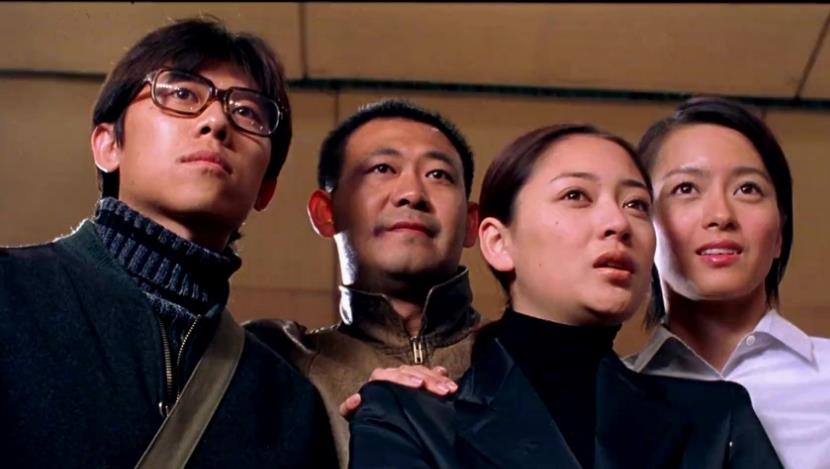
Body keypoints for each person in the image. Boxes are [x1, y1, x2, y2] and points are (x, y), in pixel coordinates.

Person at [0, 18, 336, 467]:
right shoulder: (11, 295)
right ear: (107, 145)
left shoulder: (286, 404)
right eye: (181, 94)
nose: (217, 121)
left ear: (265, 189)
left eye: (247, 113)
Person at [348, 123, 784, 468]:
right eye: (576, 196)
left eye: (636, 204)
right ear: (498, 243)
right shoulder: (410, 415)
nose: (618, 223)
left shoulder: (716, 419)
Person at [626, 96, 830, 468]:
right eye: (686, 189)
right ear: (641, 225)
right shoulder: (600, 401)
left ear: (779, 235)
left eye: (748, 189)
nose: (721, 215)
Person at [246, 99, 481, 467]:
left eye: (438, 175)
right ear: (326, 213)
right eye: (382, 168)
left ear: (471, 223)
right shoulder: (272, 358)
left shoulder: (524, 360)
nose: (412, 194)